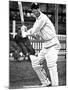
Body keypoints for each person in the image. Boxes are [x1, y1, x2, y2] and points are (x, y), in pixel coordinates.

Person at [21, 3, 61, 86]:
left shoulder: (43, 18)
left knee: (51, 65)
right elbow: (35, 36)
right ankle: (45, 82)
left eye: (37, 10)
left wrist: (26, 33)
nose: (36, 12)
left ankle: (55, 86)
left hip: (53, 45)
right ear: (32, 11)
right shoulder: (37, 21)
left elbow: (35, 30)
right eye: (34, 11)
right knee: (35, 63)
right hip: (46, 46)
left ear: (39, 9)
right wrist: (24, 31)